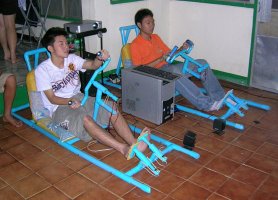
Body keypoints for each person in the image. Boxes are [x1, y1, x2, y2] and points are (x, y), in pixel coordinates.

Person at [35, 27, 150, 158]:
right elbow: (51, 98)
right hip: (59, 107)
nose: (66, 46)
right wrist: (69, 101)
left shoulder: (71, 59)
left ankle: (134, 143)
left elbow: (92, 65)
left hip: (80, 98)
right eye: (61, 44)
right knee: (86, 119)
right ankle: (123, 148)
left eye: (66, 43)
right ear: (50, 48)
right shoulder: (42, 70)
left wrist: (99, 57)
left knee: (111, 106)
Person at [130, 8, 231, 111]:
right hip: (154, 74)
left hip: (168, 67)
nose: (152, 25)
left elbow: (170, 54)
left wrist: (181, 49)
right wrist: (160, 59)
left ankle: (219, 97)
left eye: (153, 22)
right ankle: (206, 104)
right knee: (174, 73)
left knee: (202, 63)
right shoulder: (135, 45)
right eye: (148, 23)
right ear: (139, 25)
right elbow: (138, 70)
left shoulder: (155, 37)